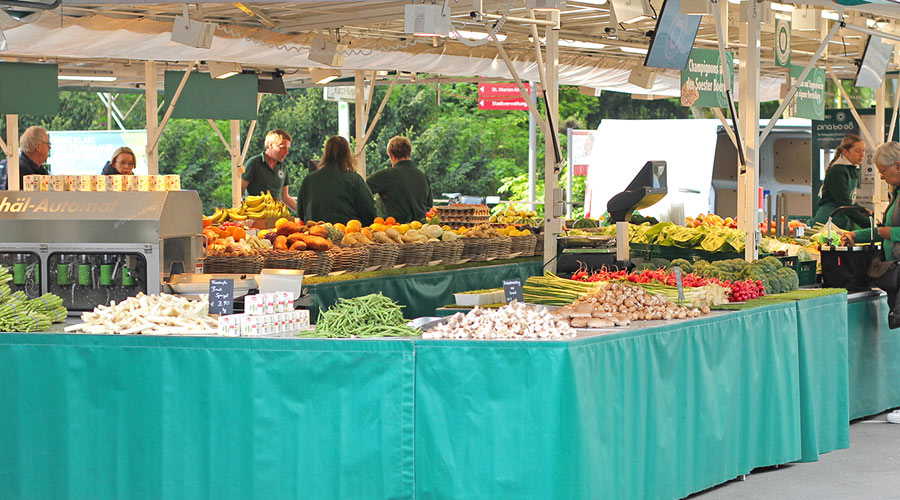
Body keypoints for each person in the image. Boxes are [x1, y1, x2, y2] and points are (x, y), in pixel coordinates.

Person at [841, 141, 900, 424]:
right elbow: (881, 231)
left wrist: (889, 232)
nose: (880, 176)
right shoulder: (896, 192)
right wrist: (858, 235)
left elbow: (889, 230)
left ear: (897, 166)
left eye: (883, 171)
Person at [297, 135, 377, 225]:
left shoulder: (308, 180)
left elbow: (301, 212)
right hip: (347, 235)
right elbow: (369, 212)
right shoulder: (354, 180)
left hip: (315, 235)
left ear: (325, 153)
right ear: (347, 154)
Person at [366, 136, 433, 223]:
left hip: (393, 229)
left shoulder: (384, 176)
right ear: (410, 153)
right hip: (420, 230)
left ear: (391, 155)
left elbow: (360, 190)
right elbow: (429, 207)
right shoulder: (423, 177)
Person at [812, 134, 871, 230]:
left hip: (839, 220)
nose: (862, 154)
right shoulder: (838, 171)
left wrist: (861, 209)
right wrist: (870, 225)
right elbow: (844, 203)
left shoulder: (852, 169)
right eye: (857, 151)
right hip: (827, 222)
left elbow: (848, 200)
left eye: (864, 150)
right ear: (845, 152)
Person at [241, 129, 297, 211]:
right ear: (271, 145)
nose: (286, 152)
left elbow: (285, 197)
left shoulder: (283, 167)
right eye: (283, 148)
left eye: (287, 148)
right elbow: (239, 191)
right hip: (255, 216)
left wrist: (304, 213)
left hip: (276, 216)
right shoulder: (254, 163)